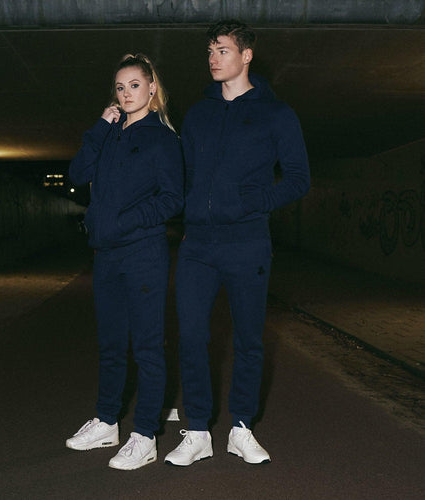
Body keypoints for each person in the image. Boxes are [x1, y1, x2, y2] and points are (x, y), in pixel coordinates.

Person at [164, 20, 310, 466]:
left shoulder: (276, 114)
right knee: (191, 337)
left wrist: (254, 202)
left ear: (246, 56)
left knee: (248, 339)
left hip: (248, 243)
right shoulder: (197, 114)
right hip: (197, 246)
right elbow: (185, 174)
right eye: (210, 50)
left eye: (223, 50)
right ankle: (197, 432)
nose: (213, 58)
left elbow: (299, 179)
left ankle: (241, 428)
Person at [67, 53, 183, 470]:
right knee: (111, 345)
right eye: (120, 87)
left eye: (134, 85)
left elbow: (172, 199)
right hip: (106, 256)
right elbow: (77, 174)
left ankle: (145, 435)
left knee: (147, 348)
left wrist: (125, 222)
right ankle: (106, 422)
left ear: (151, 88)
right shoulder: (109, 135)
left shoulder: (162, 139)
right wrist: (100, 127)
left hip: (143, 253)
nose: (127, 93)